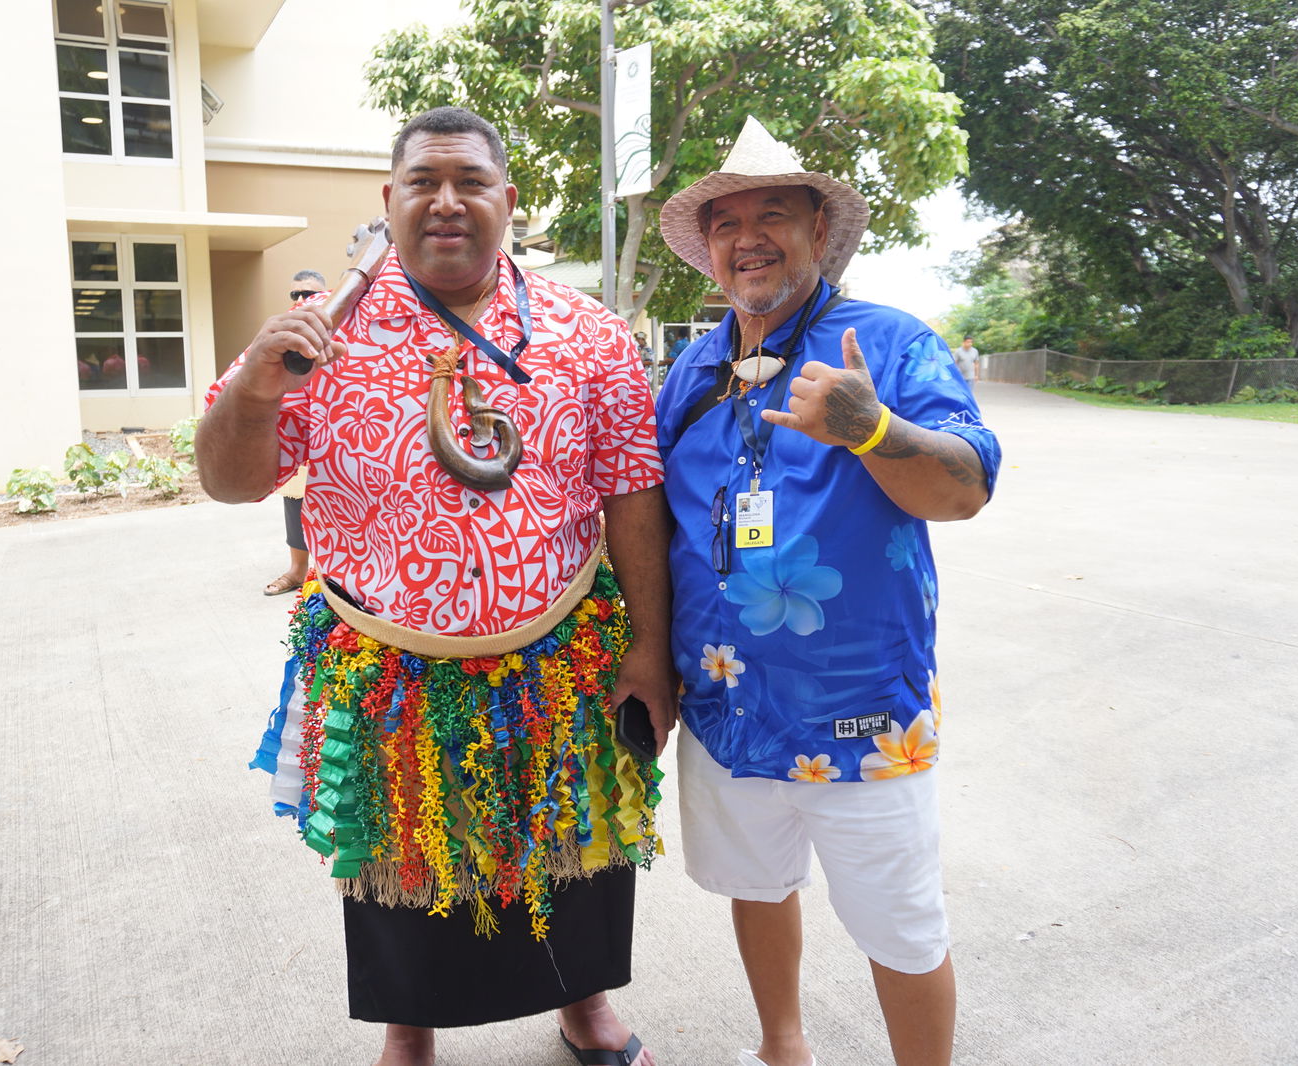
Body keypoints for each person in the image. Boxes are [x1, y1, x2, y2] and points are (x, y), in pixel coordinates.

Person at [196, 106, 675, 1066]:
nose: (446, 202)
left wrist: (650, 651)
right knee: (399, 851)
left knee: (572, 844)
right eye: (423, 182)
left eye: (469, 182)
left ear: (509, 201)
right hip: (387, 665)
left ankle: (583, 1001)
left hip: (559, 653)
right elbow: (230, 480)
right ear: (390, 202)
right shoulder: (316, 338)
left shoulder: (588, 334)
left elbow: (632, 497)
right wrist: (255, 386)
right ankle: (406, 1026)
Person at [654, 117, 1001, 1066]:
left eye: (774, 214)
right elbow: (644, 515)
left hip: (863, 715)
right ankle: (782, 1050)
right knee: (757, 888)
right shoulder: (691, 369)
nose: (748, 236)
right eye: (726, 222)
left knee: (901, 926)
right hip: (725, 709)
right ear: (709, 250)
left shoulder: (885, 344)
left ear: (819, 231)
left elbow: (964, 487)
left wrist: (873, 429)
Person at [264, 269, 327, 596]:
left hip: (330, 434)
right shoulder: (281, 332)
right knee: (294, 502)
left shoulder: (339, 328)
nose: (302, 300)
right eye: (296, 295)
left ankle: (332, 577)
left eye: (310, 294)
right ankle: (297, 571)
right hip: (295, 430)